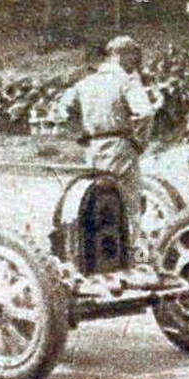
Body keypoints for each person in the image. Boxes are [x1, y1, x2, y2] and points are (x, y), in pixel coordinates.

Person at [54, 35, 156, 246]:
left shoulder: (85, 83)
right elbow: (145, 113)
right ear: (120, 55)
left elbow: (61, 112)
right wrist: (139, 143)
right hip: (121, 149)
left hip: (93, 151)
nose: (135, 64)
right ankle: (133, 254)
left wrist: (80, 135)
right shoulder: (126, 82)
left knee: (98, 205)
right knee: (130, 208)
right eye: (133, 57)